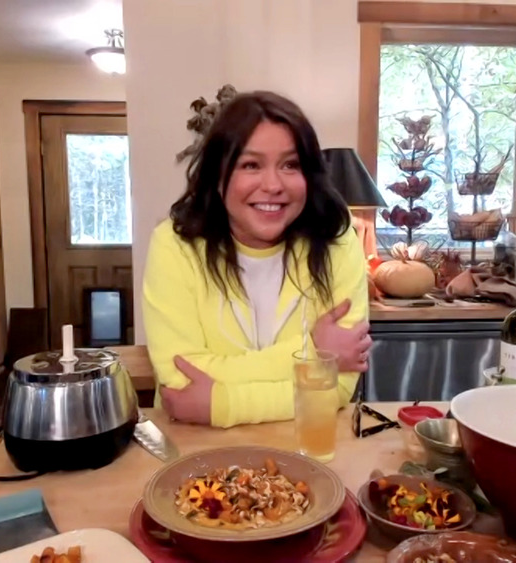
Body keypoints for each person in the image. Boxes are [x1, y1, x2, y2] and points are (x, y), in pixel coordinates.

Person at [141, 90, 371, 428]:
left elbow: (336, 388)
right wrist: (314, 353)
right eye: (250, 165)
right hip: (198, 450)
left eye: (290, 165)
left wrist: (221, 404)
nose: (273, 185)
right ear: (218, 178)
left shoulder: (338, 244)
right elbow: (180, 382)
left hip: (304, 447)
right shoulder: (175, 246)